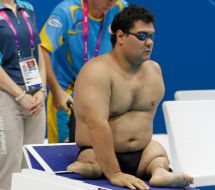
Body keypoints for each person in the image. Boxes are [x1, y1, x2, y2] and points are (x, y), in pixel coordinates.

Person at [67, 5, 193, 189]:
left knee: (157, 152)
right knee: (91, 162)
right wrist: (114, 173)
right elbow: (96, 124)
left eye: (152, 36)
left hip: (141, 154)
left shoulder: (154, 71)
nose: (149, 42)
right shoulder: (97, 72)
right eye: (142, 36)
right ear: (120, 36)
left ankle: (159, 171)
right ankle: (92, 168)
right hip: (98, 154)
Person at [40, 0, 128, 143]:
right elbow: (42, 50)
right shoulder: (67, 11)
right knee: (62, 158)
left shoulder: (120, 8)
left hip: (103, 94)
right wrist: (56, 92)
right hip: (67, 96)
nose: (111, 2)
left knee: (101, 153)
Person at [0, 0, 46, 189]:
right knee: (8, 164)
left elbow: (38, 51)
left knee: (31, 162)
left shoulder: (27, 8)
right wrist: (20, 96)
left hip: (34, 94)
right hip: (6, 94)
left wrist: (42, 90)